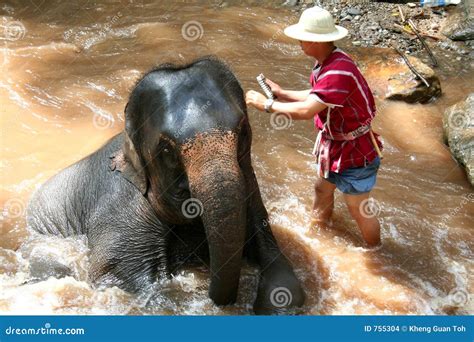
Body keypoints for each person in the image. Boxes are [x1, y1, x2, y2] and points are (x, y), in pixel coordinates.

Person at [245, 6, 383, 247]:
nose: (299, 42)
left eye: (302, 38)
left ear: (313, 41)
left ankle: (376, 251)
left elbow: (306, 110)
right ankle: (319, 234)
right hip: (338, 148)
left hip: (356, 151)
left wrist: (265, 104)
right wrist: (282, 93)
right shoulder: (331, 60)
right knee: (322, 190)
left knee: (358, 208)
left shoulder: (338, 71)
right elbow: (318, 95)